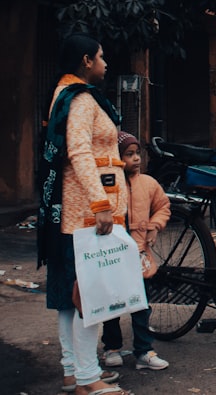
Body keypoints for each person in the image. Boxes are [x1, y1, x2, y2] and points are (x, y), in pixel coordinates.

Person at [36, 33, 134, 395]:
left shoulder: (66, 95)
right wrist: (101, 205)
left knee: (69, 294)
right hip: (86, 214)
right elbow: (79, 153)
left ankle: (72, 370)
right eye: (101, 57)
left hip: (73, 212)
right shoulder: (80, 100)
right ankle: (87, 378)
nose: (106, 64)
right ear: (86, 61)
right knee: (88, 295)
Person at [101, 132, 171, 372]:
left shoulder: (148, 184)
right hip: (112, 255)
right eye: (128, 155)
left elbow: (163, 207)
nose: (136, 159)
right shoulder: (108, 185)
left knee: (141, 305)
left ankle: (144, 350)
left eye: (137, 153)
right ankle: (111, 347)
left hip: (139, 254)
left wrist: (154, 226)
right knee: (112, 304)